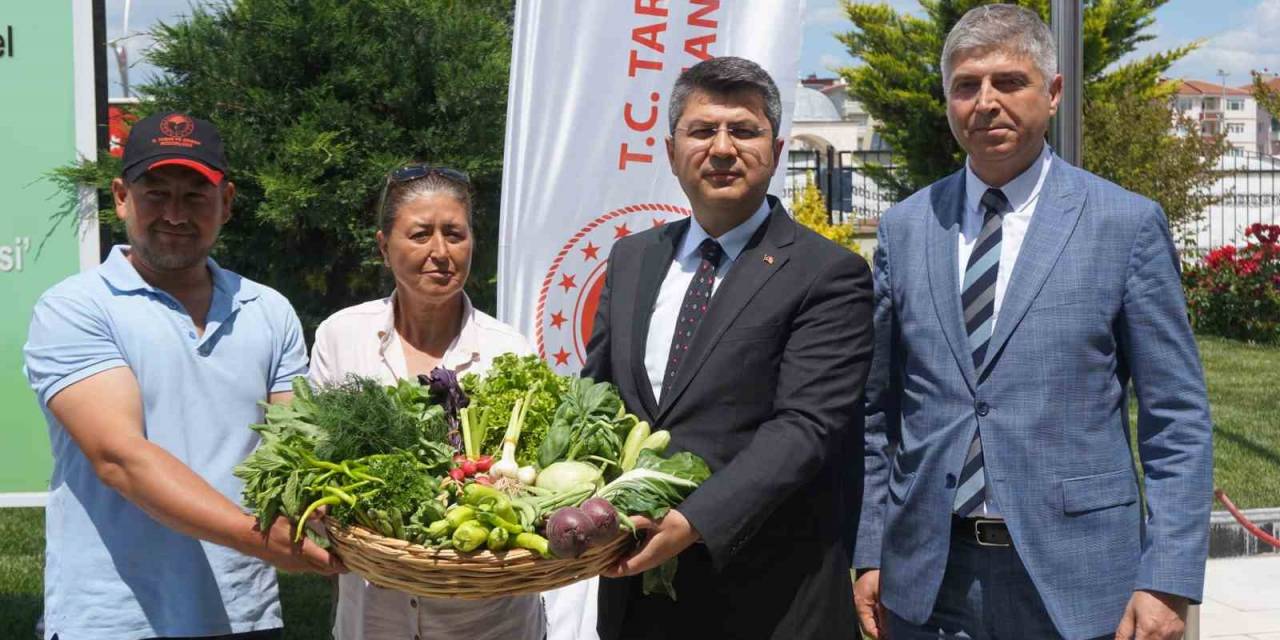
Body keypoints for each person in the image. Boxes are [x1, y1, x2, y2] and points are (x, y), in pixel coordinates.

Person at [853, 6, 1214, 640]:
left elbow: (1176, 417)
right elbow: (879, 409)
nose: (985, 102)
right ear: (948, 101)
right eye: (966, 86)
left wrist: (1167, 578)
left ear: (1052, 94)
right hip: (925, 580)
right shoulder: (905, 228)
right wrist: (870, 547)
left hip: (1076, 582)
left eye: (1008, 82)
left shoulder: (1123, 224)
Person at [582, 56, 875, 640]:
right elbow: (598, 400)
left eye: (742, 130)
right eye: (702, 130)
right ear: (671, 151)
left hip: (769, 603)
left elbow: (806, 428)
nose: (721, 148)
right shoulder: (632, 259)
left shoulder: (829, 274)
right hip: (636, 599)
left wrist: (693, 521)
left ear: (776, 147)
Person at [22, 112, 341, 640]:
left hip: (244, 613)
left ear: (228, 202)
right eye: (156, 193)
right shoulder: (74, 308)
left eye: (196, 195)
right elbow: (120, 459)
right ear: (122, 196)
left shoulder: (269, 309)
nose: (174, 213)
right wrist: (265, 541)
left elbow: (293, 448)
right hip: (115, 618)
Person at [309, 164, 545, 640]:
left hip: (489, 622)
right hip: (373, 619)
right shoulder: (342, 336)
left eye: (454, 234)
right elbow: (313, 457)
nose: (440, 252)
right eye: (420, 234)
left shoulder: (509, 350)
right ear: (383, 246)